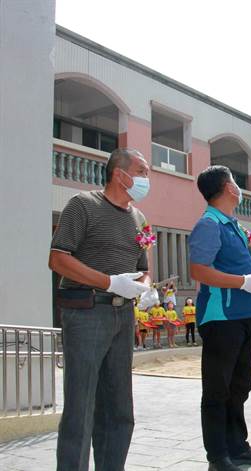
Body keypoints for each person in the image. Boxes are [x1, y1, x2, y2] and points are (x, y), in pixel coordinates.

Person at [49, 148, 152, 470]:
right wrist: (108, 282)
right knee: (81, 404)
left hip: (123, 315)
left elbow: (142, 266)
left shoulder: (138, 218)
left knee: (119, 406)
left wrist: (145, 286)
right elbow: (58, 258)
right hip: (87, 311)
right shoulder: (83, 205)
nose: (146, 179)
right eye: (141, 171)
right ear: (120, 174)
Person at [189, 165, 251, 471]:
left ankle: (237, 446)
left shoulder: (233, 225)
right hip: (221, 318)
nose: (237, 187)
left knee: (240, 385)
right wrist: (243, 282)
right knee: (218, 389)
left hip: (243, 316)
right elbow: (199, 270)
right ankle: (218, 457)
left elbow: (236, 265)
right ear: (228, 188)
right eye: (235, 181)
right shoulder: (209, 224)